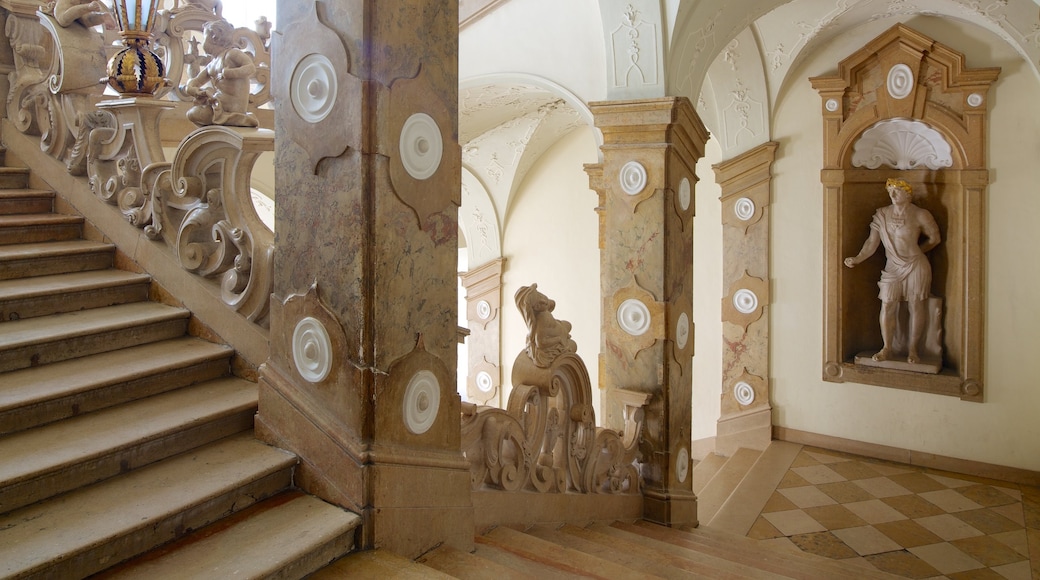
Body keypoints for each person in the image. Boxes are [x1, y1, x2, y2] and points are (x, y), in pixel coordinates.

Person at [844, 178, 941, 364]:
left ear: (908, 193)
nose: (892, 195)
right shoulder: (882, 214)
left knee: (916, 305)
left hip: (916, 265)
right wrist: (857, 258)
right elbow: (872, 243)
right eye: (890, 191)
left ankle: (913, 349)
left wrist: (919, 252)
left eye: (897, 191)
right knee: (887, 304)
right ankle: (887, 347)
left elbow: (934, 238)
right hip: (892, 267)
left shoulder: (921, 214)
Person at [182, 20, 258, 128]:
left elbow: (251, 68)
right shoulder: (213, 63)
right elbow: (197, 81)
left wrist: (229, 73)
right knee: (192, 113)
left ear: (214, 37)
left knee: (194, 114)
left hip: (233, 108)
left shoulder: (232, 54)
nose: (203, 42)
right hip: (218, 104)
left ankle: (232, 119)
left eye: (204, 38)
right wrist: (192, 89)